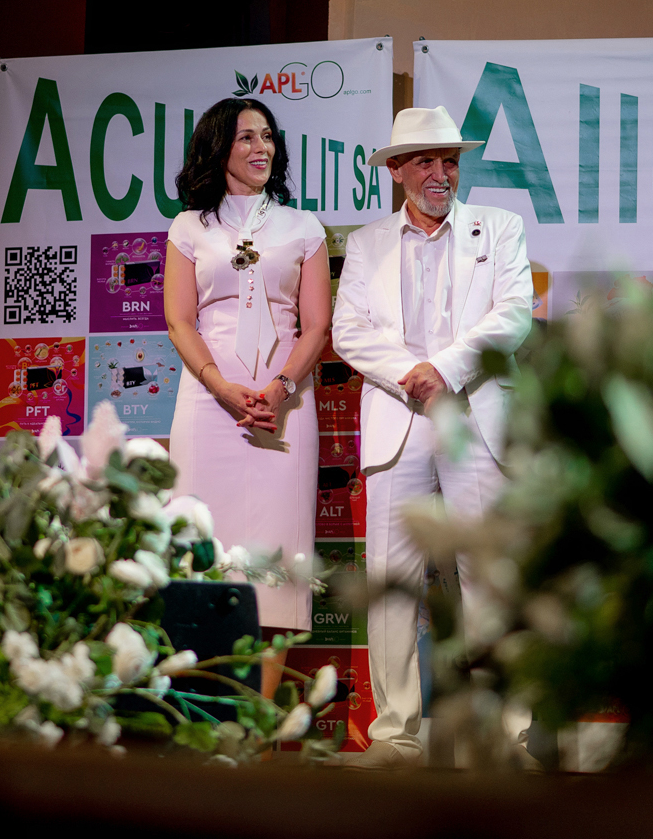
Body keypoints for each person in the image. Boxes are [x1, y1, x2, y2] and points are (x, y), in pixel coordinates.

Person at [330, 105, 533, 769]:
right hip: (399, 417)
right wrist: (412, 377)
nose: (440, 173)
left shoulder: (499, 227)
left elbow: (514, 315)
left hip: (476, 415)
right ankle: (395, 737)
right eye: (424, 161)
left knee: (490, 578)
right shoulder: (367, 243)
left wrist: (442, 369)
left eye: (449, 160)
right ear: (396, 171)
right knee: (392, 581)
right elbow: (348, 330)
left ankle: (507, 738)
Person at [165, 98, 332, 701]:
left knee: (277, 570)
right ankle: (207, 726)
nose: (261, 148)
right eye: (246, 138)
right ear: (218, 149)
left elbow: (316, 325)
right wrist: (220, 386)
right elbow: (179, 321)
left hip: (283, 409)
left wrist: (281, 389)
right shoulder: (189, 227)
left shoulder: (304, 227)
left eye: (268, 137)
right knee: (201, 563)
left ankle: (256, 733)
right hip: (207, 407)